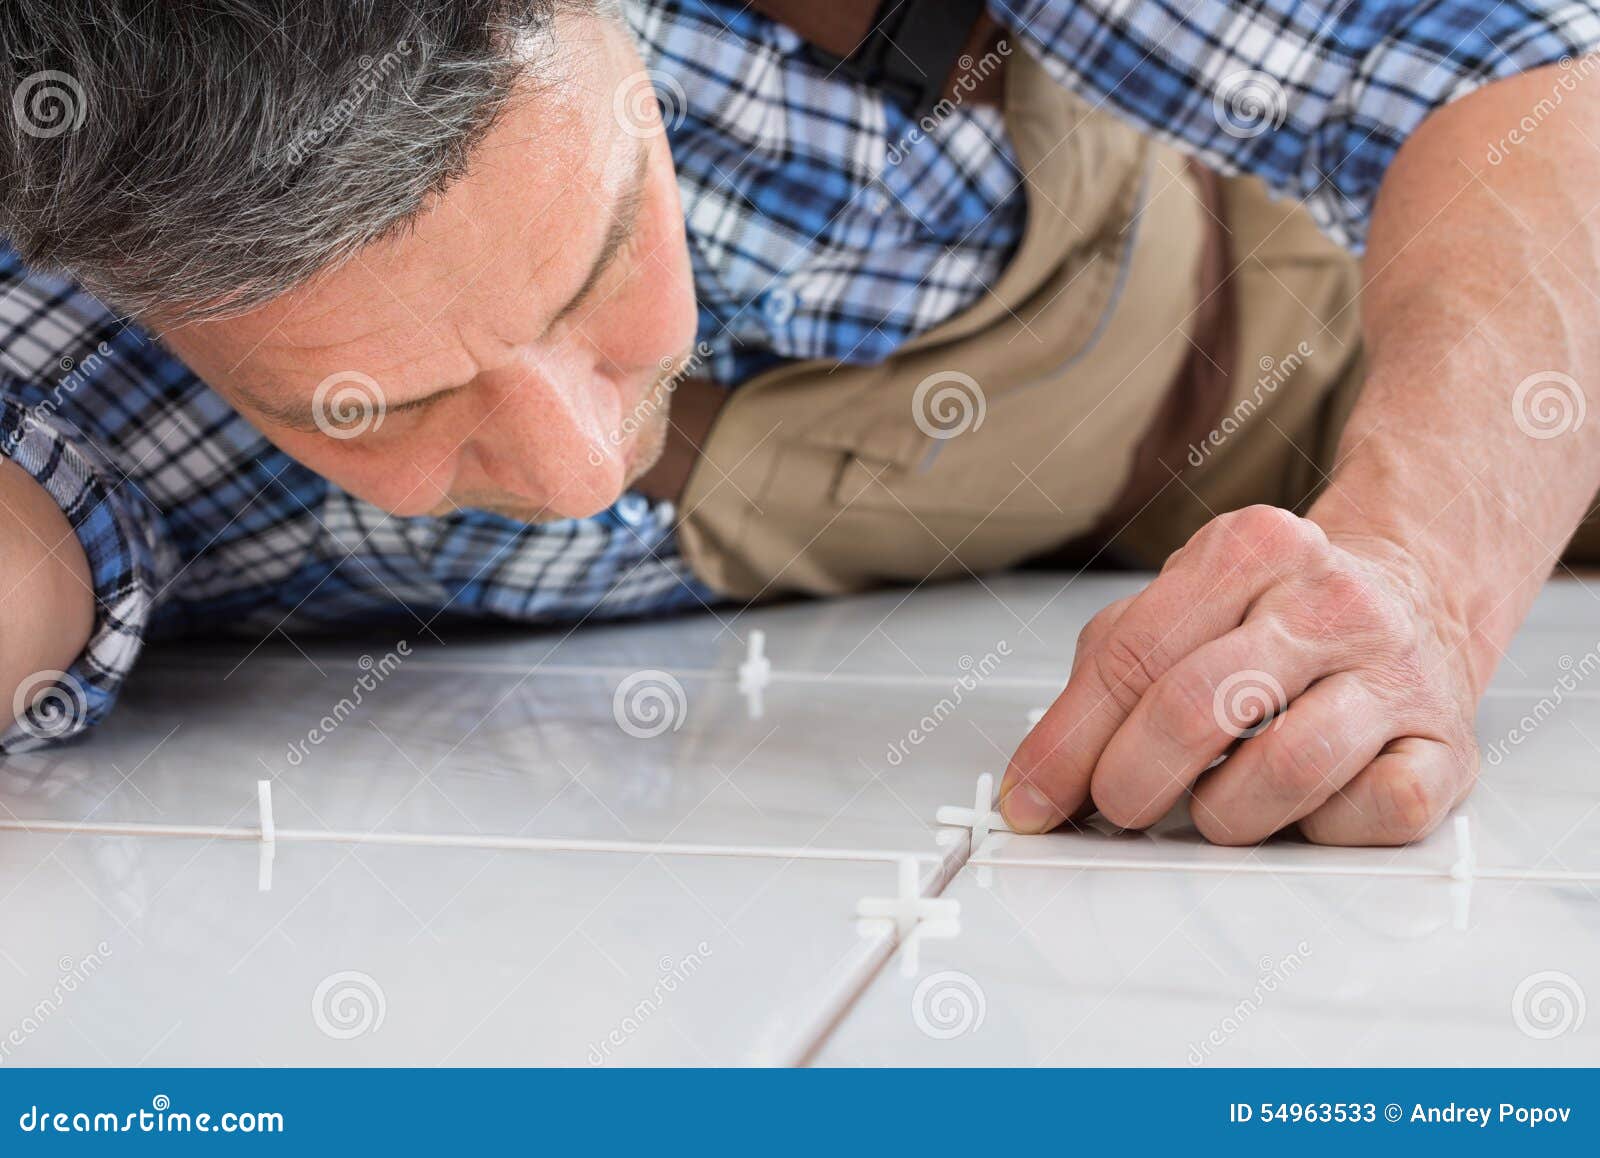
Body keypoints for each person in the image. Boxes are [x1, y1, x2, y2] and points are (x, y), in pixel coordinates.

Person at [2, 0, 1598, 847]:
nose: (571, 476)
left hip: (1364, 304)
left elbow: (1525, 88)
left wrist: (1417, 577)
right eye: (381, 404)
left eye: (597, 258)